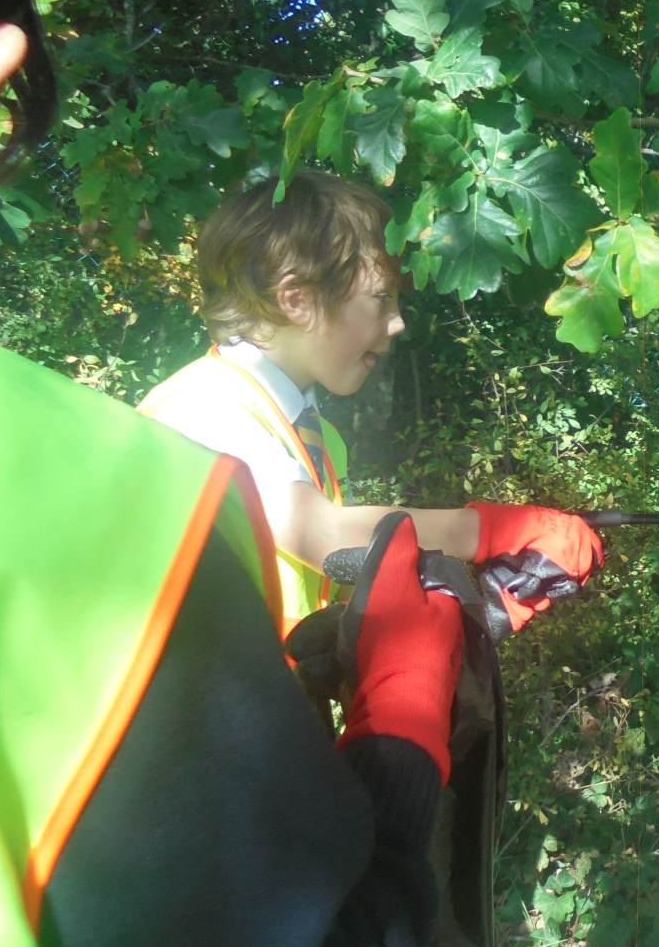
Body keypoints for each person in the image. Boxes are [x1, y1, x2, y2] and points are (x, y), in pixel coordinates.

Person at [0, 0, 472, 947]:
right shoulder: (133, 467)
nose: (395, 325)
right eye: (381, 296)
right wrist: (410, 714)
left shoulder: (273, 420)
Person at [138, 169, 603, 638]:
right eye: (381, 299)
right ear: (297, 300)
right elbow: (325, 536)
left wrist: (465, 618)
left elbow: (323, 582)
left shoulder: (309, 431)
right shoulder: (205, 405)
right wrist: (494, 531)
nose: (397, 323)